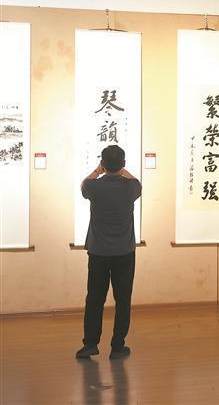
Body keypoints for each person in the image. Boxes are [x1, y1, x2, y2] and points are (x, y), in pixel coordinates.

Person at [75, 145, 142, 360]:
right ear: (123, 164)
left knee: (94, 299)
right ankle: (118, 345)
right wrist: (121, 170)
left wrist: (98, 170)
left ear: (103, 163)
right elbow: (135, 180)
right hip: (124, 253)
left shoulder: (93, 186)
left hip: (98, 253)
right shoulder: (132, 187)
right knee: (123, 300)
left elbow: (84, 183)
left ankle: (90, 344)